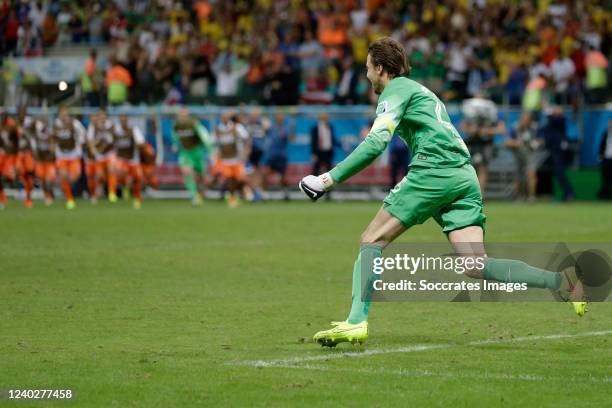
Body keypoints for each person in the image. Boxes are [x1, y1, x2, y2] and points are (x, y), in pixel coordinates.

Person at [298, 37, 587, 347]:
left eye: (368, 68)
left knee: (371, 241)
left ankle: (356, 321)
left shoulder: (395, 89)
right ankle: (562, 281)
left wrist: (327, 180)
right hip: (463, 176)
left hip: (433, 171)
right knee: (475, 265)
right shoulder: (423, 92)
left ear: (380, 68)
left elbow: (376, 142)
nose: (367, 75)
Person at [460, 92, 506, 196]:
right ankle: (468, 194)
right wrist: (472, 129)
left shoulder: (493, 112)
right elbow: (463, 127)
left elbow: (501, 129)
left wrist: (487, 131)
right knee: (468, 168)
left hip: (485, 143)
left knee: (482, 168)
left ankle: (480, 195)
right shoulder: (469, 112)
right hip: (471, 142)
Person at [171, 107, 211, 205]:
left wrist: (210, 150)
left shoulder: (194, 124)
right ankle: (194, 196)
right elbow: (174, 136)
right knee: (187, 172)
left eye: (184, 115)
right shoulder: (176, 125)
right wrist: (175, 144)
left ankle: (201, 193)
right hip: (185, 152)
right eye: (180, 115)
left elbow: (204, 135)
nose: (182, 117)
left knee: (203, 177)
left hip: (197, 152)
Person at [53, 106, 89, 209]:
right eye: (61, 113)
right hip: (62, 155)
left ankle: (70, 191)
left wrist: (82, 143)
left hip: (74, 155)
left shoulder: (74, 123)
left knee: (74, 177)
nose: (63, 116)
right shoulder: (56, 125)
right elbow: (53, 138)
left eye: (65, 113)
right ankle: (69, 199)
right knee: (64, 175)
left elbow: (83, 134)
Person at [214, 111, 249, 208]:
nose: (224, 119)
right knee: (229, 179)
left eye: (226, 117)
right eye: (223, 117)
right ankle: (232, 199)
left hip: (236, 159)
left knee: (240, 180)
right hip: (225, 160)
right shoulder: (218, 129)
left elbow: (246, 138)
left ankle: (244, 194)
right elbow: (214, 142)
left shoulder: (236, 128)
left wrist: (245, 151)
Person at [506, 112, 543, 202]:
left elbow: (541, 140)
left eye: (527, 119)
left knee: (531, 173)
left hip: (530, 154)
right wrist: (517, 143)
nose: (525, 121)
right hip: (518, 154)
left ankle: (531, 196)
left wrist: (535, 144)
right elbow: (508, 142)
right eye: (523, 119)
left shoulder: (535, 127)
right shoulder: (515, 127)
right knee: (518, 176)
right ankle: (519, 196)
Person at [87, 109, 118, 202]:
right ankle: (96, 193)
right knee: (99, 175)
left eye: (104, 116)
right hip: (99, 155)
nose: (102, 118)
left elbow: (113, 140)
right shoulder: (93, 126)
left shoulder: (111, 126)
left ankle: (112, 193)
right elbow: (90, 141)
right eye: (100, 116)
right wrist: (94, 150)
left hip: (109, 153)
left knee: (112, 169)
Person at [114, 114, 145, 209]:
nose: (123, 122)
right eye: (121, 121)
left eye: (125, 120)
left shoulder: (133, 130)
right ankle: (125, 186)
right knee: (119, 171)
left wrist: (137, 144)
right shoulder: (116, 131)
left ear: (127, 121)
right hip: (121, 159)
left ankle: (137, 198)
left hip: (133, 159)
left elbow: (141, 143)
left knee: (138, 178)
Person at [263, 112, 293, 201]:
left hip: (281, 155)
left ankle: (286, 192)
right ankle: (264, 194)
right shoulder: (271, 128)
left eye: (281, 116)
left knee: (283, 176)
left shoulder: (286, 129)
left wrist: (292, 129)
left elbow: (291, 138)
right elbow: (264, 131)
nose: (279, 118)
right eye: (278, 116)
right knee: (265, 173)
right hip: (272, 154)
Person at [29, 116, 56, 206]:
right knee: (43, 180)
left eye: (45, 122)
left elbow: (53, 146)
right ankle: (47, 196)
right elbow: (34, 149)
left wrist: (51, 152)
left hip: (49, 160)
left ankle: (50, 193)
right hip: (40, 160)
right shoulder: (36, 135)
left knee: (49, 179)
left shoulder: (50, 133)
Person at [598, 118, 612, 200]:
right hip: (606, 159)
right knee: (605, 177)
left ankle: (602, 192)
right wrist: (600, 156)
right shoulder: (606, 133)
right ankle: (605, 195)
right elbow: (602, 145)